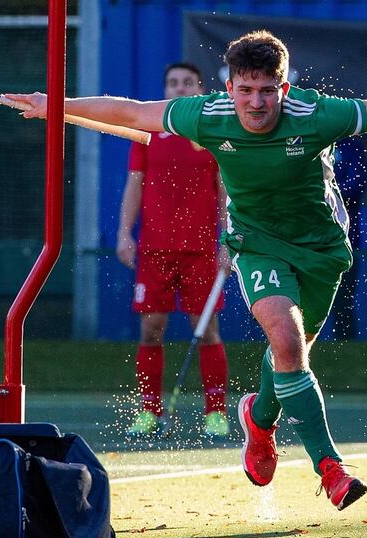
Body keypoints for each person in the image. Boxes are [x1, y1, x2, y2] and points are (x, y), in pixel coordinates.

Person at [4, 30, 367, 511]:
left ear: (285, 88)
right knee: (284, 340)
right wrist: (53, 104)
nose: (257, 102)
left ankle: (257, 421)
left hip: (322, 251)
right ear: (230, 86)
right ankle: (330, 469)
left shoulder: (316, 115)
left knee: (291, 354)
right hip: (258, 246)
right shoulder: (204, 115)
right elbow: (128, 112)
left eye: (268, 90)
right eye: (246, 89)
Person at [115, 62, 231, 438]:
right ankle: (149, 410)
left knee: (207, 329)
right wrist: (124, 234)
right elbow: (135, 183)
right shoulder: (147, 131)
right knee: (151, 330)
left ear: (198, 90)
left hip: (200, 250)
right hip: (154, 249)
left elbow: (225, 190)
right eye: (172, 83)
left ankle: (216, 412)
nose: (179, 89)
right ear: (164, 90)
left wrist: (228, 241)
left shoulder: (210, 133)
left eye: (186, 84)